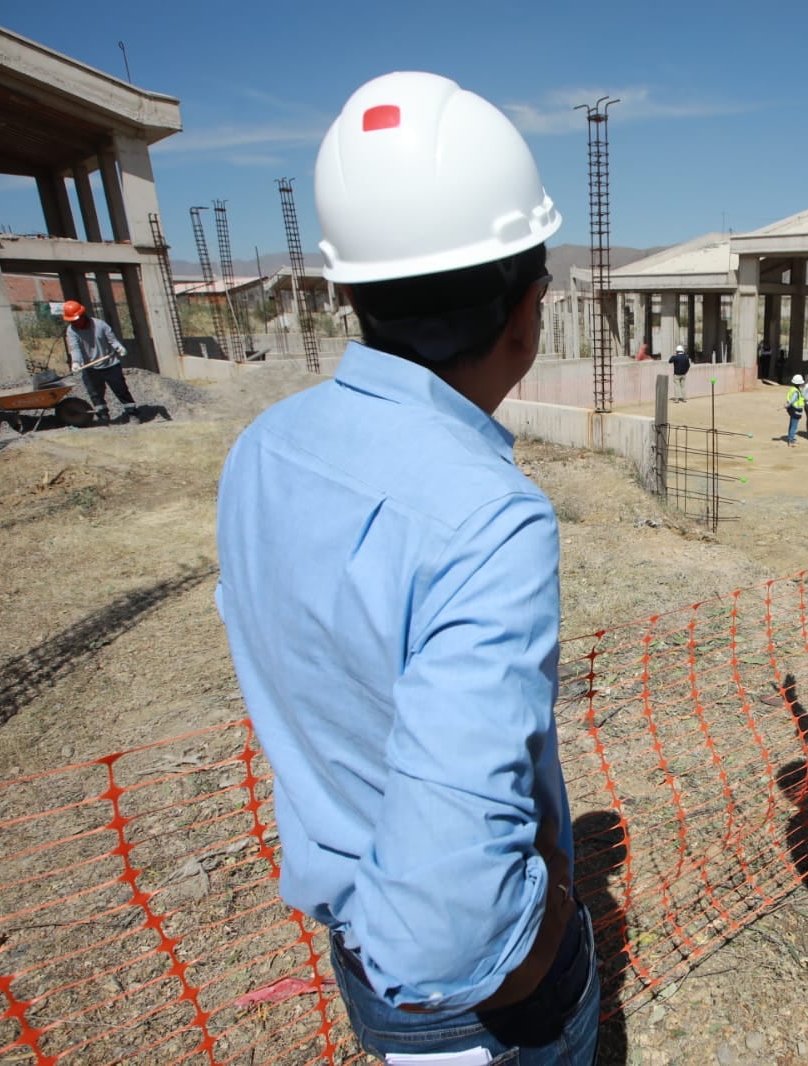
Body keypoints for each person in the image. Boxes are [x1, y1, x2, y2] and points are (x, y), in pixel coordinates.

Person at [215, 72, 598, 1064]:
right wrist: (553, 906)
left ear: (348, 290)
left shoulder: (264, 450)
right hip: (479, 1010)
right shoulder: (489, 518)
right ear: (528, 313)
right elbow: (455, 925)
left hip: (361, 953)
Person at [63, 300, 138, 424]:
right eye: (71, 320)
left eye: (76, 319)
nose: (74, 322)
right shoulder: (72, 330)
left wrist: (119, 347)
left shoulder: (100, 325)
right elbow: (75, 348)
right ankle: (103, 416)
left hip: (110, 364)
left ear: (82, 315)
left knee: (121, 390)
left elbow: (112, 340)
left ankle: (133, 413)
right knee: (95, 394)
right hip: (90, 368)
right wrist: (75, 362)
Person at [784, 372, 806, 445]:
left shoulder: (792, 389)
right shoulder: (796, 391)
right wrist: (788, 405)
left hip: (792, 409)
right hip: (795, 410)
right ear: (799, 383)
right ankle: (791, 440)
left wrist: (787, 405)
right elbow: (792, 400)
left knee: (792, 424)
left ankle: (791, 438)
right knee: (794, 425)